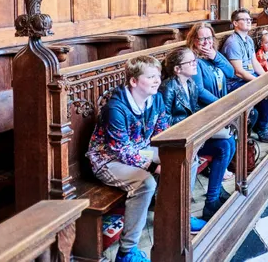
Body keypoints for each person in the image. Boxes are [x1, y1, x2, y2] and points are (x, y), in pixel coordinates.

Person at [86, 55, 206, 262]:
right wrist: (154, 168)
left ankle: (178, 217)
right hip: (108, 159)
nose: (157, 81)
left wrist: (172, 154)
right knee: (145, 183)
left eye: (158, 76)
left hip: (141, 150)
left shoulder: (155, 99)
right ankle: (126, 252)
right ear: (134, 81)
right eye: (151, 77)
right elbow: (121, 150)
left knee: (187, 159)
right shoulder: (116, 108)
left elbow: (162, 132)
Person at [160, 46, 236, 221]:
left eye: (195, 60)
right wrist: (194, 124)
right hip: (176, 141)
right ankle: (210, 201)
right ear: (177, 69)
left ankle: (213, 199)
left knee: (227, 142)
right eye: (191, 62)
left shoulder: (191, 84)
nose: (196, 64)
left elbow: (193, 111)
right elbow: (164, 121)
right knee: (223, 146)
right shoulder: (168, 87)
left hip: (191, 135)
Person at [221, 8, 268, 142]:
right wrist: (261, 82)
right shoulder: (233, 42)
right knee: (266, 89)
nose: (249, 21)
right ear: (235, 23)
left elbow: (254, 62)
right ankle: (262, 128)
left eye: (249, 19)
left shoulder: (248, 40)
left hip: (249, 76)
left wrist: (266, 77)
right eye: (244, 19)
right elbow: (238, 71)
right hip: (236, 82)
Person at [187, 22, 236, 181]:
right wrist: (221, 104)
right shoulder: (193, 59)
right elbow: (200, 91)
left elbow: (230, 72)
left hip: (219, 107)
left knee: (233, 137)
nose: (206, 42)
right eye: (202, 39)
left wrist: (216, 57)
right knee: (227, 140)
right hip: (206, 111)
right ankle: (217, 169)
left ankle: (221, 168)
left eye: (209, 38)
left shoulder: (213, 54)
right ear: (194, 40)